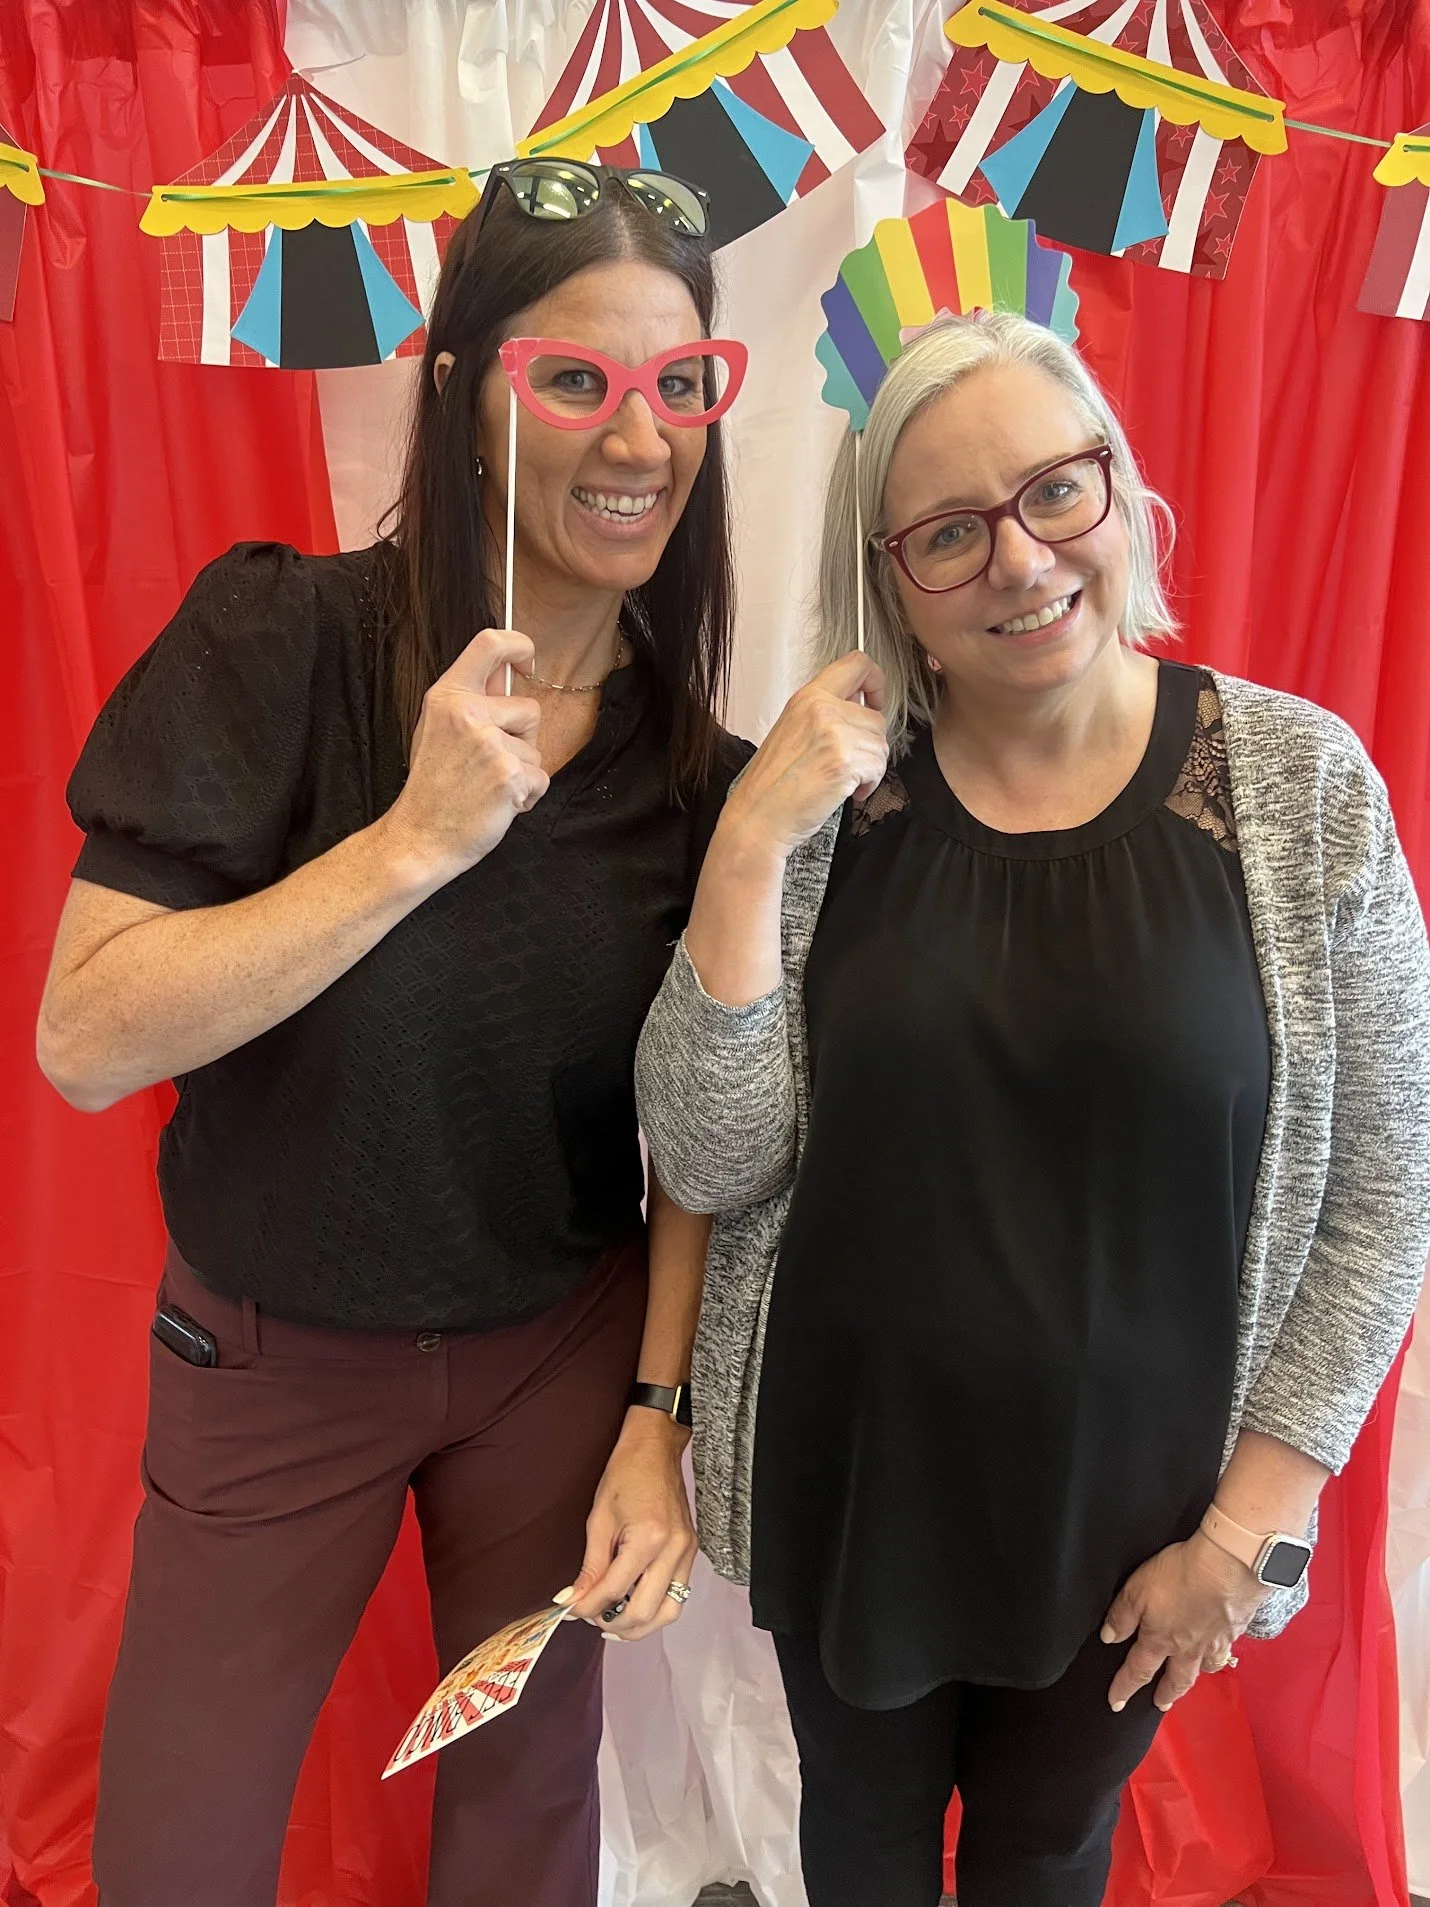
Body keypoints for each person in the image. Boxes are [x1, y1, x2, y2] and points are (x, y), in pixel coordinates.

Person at [634, 309, 1430, 1907]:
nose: (1017, 558)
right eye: (947, 533)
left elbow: (1386, 1180)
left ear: (1120, 496)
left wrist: (1248, 1528)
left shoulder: (1296, 784)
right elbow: (713, 1153)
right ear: (894, 589)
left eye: (1052, 492)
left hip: (1138, 1526)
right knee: (852, 1854)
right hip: (852, 1481)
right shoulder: (829, 806)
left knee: (1047, 1860)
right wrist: (743, 845)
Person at [35, 159, 751, 1907]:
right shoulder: (280, 638)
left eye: (678, 385)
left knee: (525, 1820)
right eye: (575, 378)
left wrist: (655, 1405)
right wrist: (412, 843)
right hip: (274, 1353)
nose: (637, 436)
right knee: (175, 1855)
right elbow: (88, 1036)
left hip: (549, 1358)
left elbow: (700, 1140)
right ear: (461, 388)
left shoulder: (689, 770)